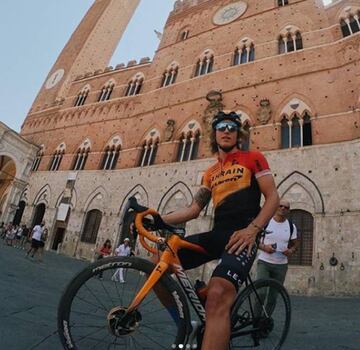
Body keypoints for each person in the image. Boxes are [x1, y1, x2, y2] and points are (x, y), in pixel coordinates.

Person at [150, 111, 280, 350]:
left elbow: (272, 198)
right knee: (157, 262)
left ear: (238, 133)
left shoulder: (254, 157)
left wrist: (252, 231)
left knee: (218, 295)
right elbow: (193, 210)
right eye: (222, 126)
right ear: (215, 133)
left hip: (242, 237)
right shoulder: (210, 173)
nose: (227, 130)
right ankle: (183, 324)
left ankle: (212, 305)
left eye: (232, 127)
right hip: (218, 234)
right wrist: (157, 219)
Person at [257, 199, 299, 292]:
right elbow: (255, 241)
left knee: (273, 296)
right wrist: (264, 247)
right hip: (264, 262)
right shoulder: (266, 222)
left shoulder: (291, 226)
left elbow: (296, 244)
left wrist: (291, 251)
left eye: (286, 207)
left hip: (281, 265)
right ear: (276, 207)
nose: (283, 208)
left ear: (288, 211)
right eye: (280, 206)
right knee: (261, 293)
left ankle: (269, 307)